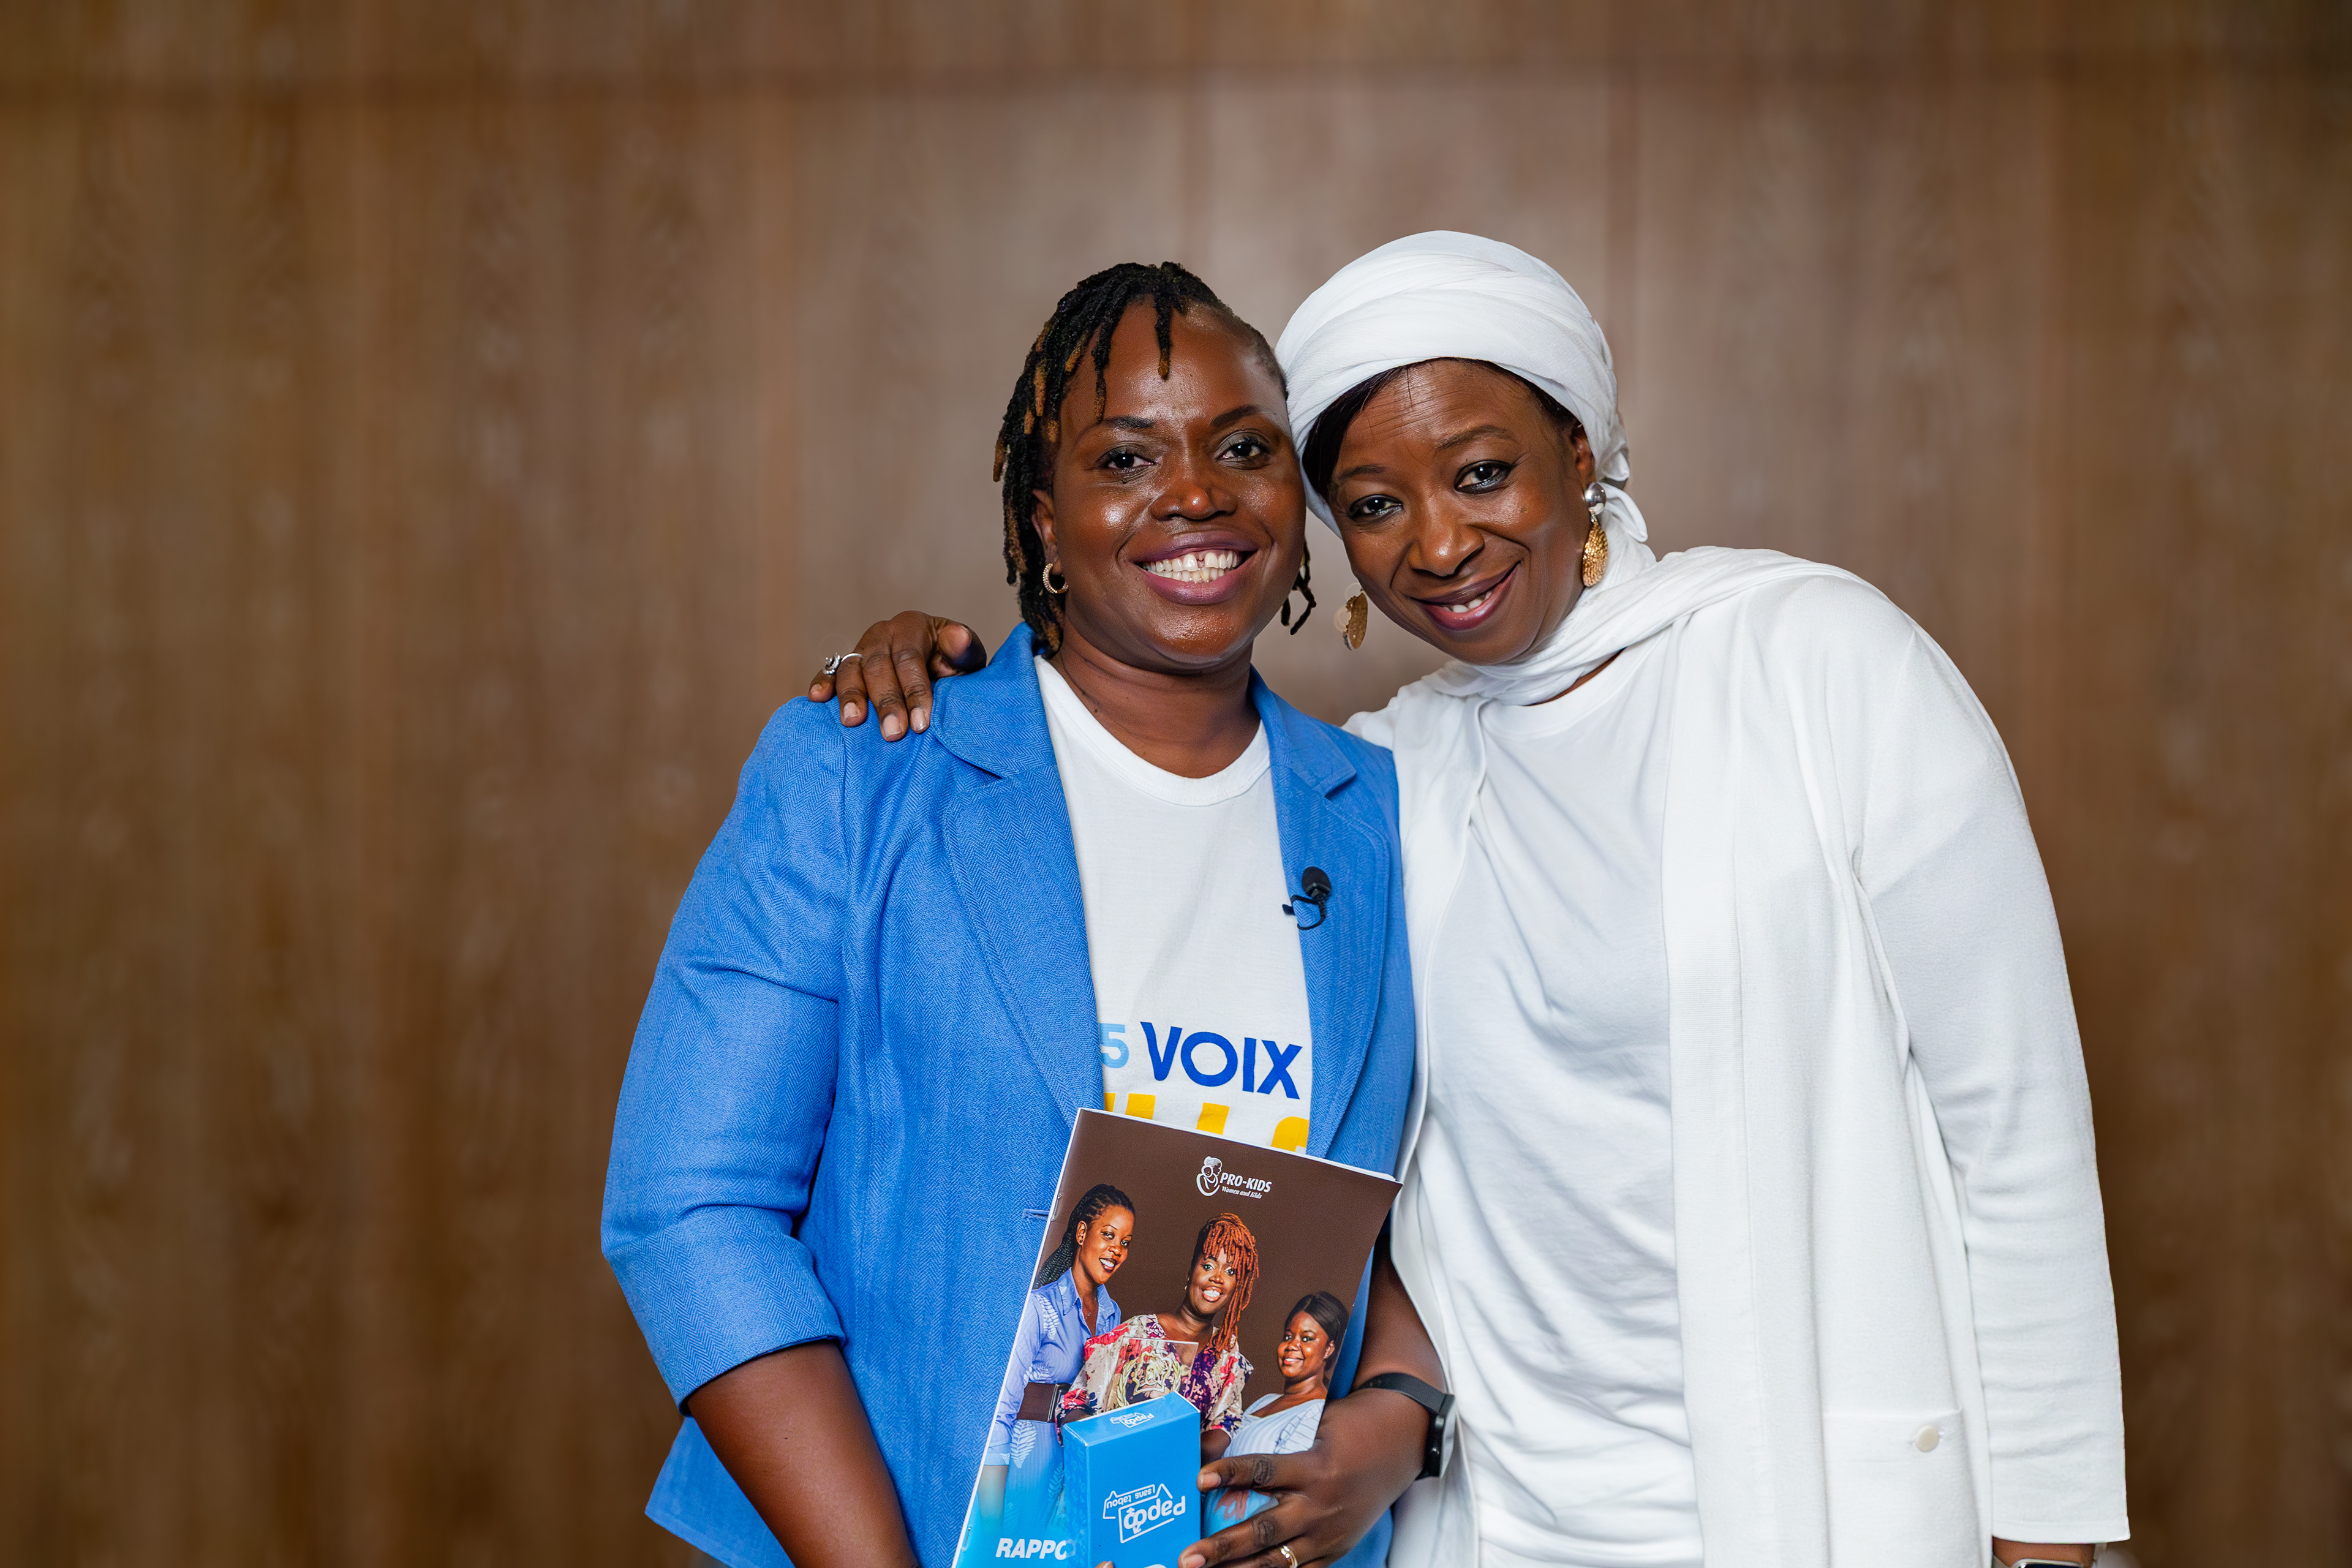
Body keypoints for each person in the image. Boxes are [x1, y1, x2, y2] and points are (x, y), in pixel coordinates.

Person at [809, 233, 2129, 1568]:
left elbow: (2018, 1145)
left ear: (1580, 447)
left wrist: (2051, 1542)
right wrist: (933, 670)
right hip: (1496, 1521)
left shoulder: (1821, 667)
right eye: (1375, 505)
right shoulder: (1384, 781)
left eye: (1484, 472)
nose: (1440, 542)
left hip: (1813, 1503)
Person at [601, 262, 1427, 1568]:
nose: (1197, 492)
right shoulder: (871, 767)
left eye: (1244, 447)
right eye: (1126, 456)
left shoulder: (1385, 813)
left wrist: (1399, 1418)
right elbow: (688, 1205)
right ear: (1043, 519)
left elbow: (1432, 1213)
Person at [962, 1184, 1136, 1559]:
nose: (1116, 1251)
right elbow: (1000, 1411)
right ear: (1082, 1233)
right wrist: (990, 1516)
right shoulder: (1038, 1309)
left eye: (1125, 1243)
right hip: (1028, 1460)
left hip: (1076, 1464)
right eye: (1108, 1235)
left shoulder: (1112, 1315)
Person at [1065, 1212, 1261, 1436]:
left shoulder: (1227, 1352)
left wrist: (1175, 1449)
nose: (1217, 1277)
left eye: (1230, 1271)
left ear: (1237, 1287)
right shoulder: (1139, 1331)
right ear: (1191, 1274)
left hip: (1179, 1470)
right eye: (1208, 1266)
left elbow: (1225, 1425)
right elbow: (1074, 1404)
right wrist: (1107, 1440)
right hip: (1116, 1464)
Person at [1205, 1291, 1351, 1533]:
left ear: (1328, 1349)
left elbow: (1285, 1493)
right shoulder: (1265, 1401)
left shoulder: (1318, 1414)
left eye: (1307, 1339)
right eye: (1288, 1336)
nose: (1292, 1346)